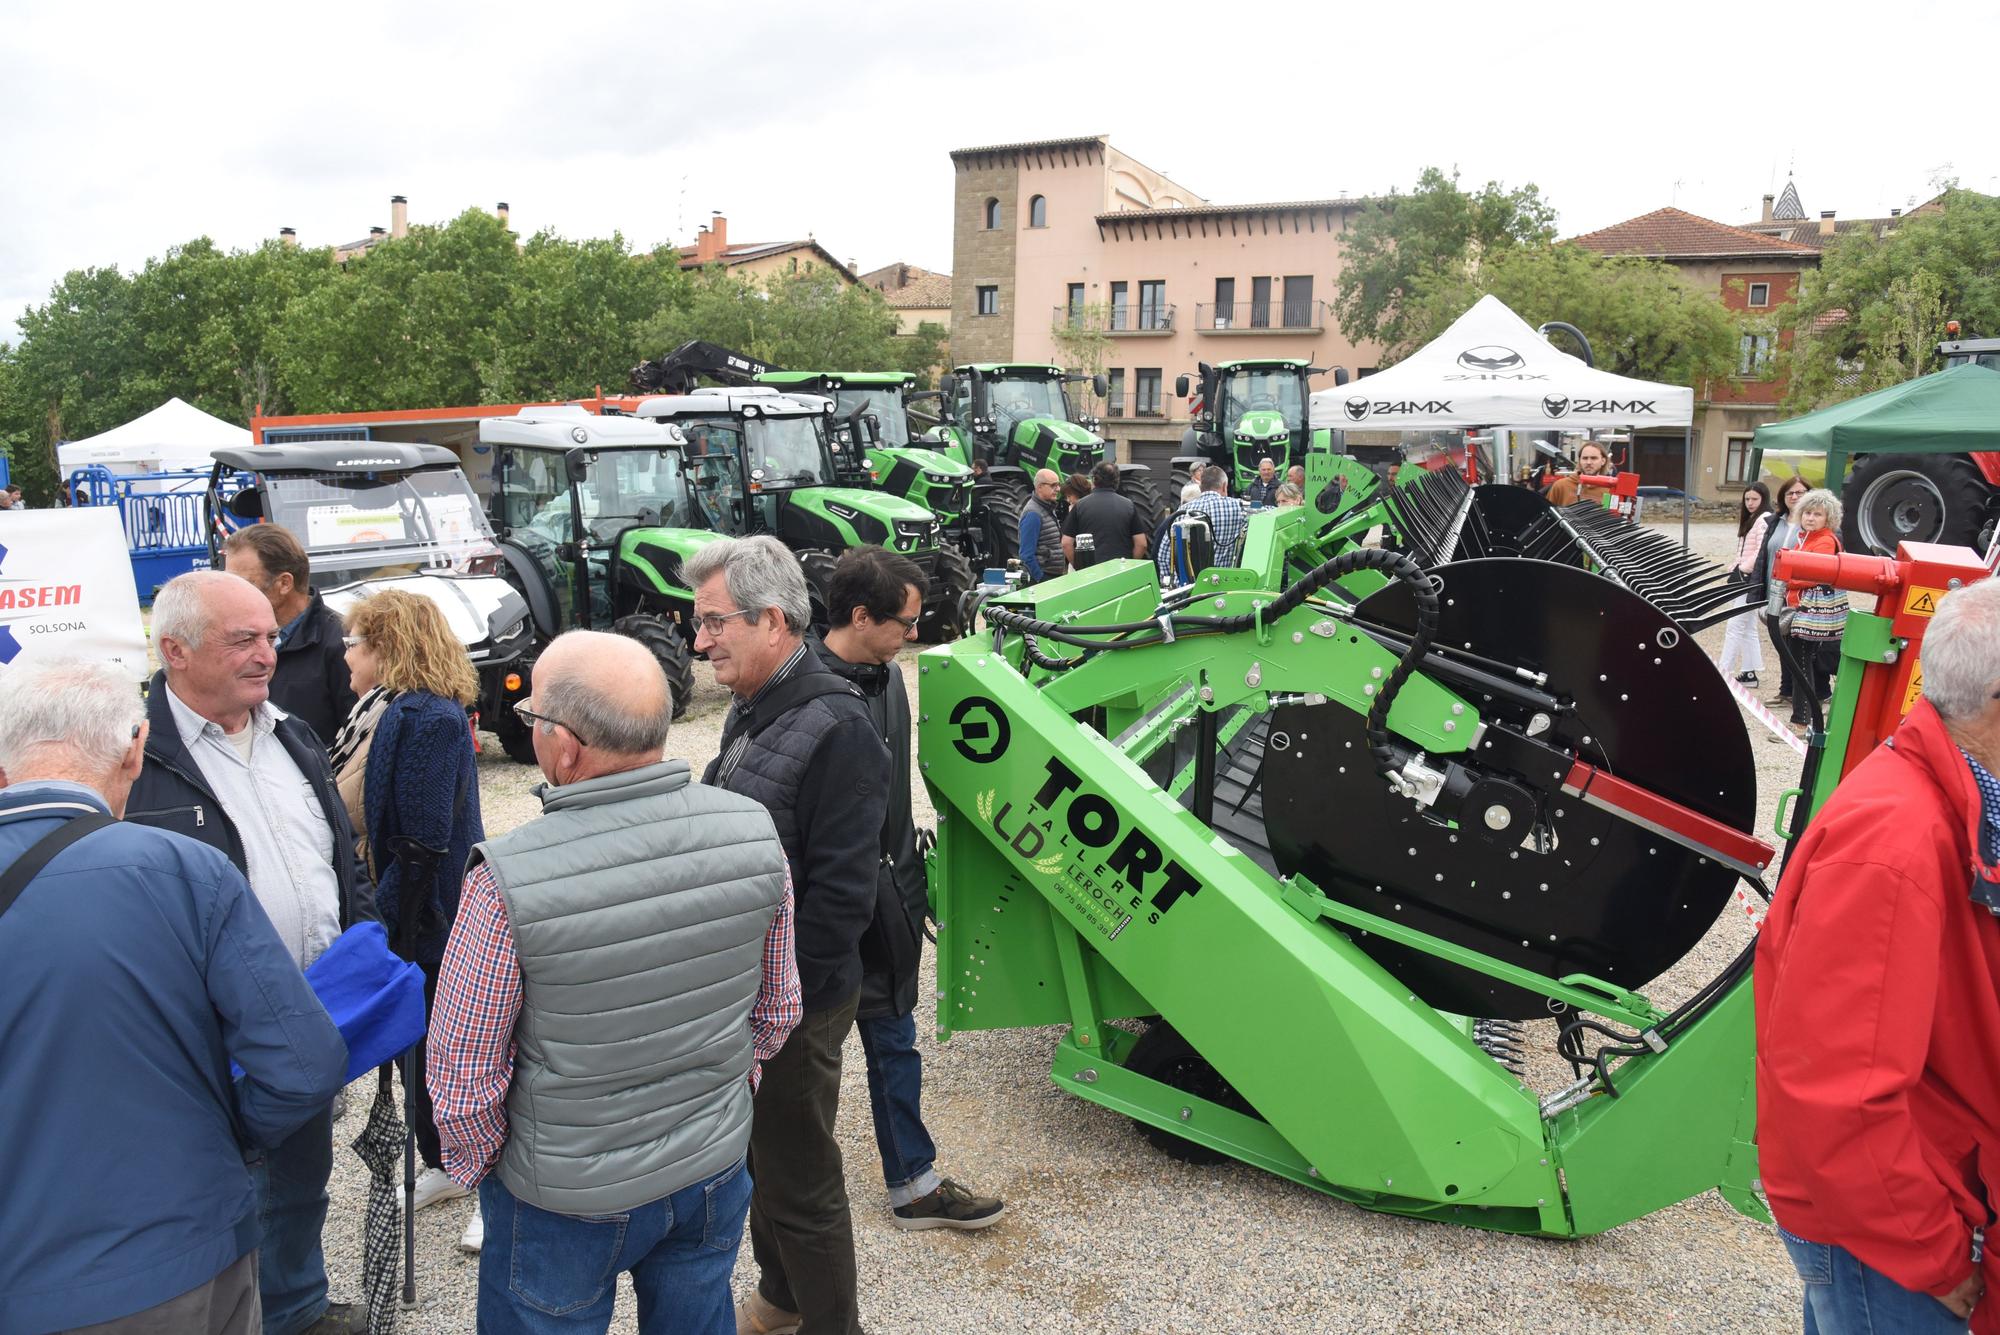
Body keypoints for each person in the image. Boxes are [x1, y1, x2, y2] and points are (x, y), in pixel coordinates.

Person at [427, 630, 797, 1334]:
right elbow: (778, 1010)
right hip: (710, 1167)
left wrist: (490, 1173)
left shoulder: (505, 880)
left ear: (564, 745)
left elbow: (463, 1078)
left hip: (561, 1196)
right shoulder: (754, 831)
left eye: (533, 719)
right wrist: (721, 1095)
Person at [0, 660, 348, 1335]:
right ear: (135, 747)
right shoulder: (182, 870)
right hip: (174, 1259)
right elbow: (303, 1063)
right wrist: (228, 1138)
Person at [126, 569, 376, 1335]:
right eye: (244, 639)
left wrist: (369, 950)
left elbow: (341, 859)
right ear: (175, 649)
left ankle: (297, 1306)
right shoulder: (136, 760)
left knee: (303, 1180)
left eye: (271, 635)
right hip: (206, 1040)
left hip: (309, 1018)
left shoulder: (291, 732)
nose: (268, 653)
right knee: (224, 1201)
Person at [1756, 575, 2000, 1334]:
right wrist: (1938, 1258)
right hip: (1895, 1239)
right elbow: (1838, 1093)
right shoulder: (1893, 848)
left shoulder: (1956, 800)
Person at [687, 536, 888, 1335]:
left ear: (772, 620)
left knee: (799, 1175)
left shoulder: (838, 727)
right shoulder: (757, 704)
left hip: (794, 1006)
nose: (699, 640)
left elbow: (842, 902)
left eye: (712, 622)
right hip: (754, 994)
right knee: (760, 1162)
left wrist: (776, 1009)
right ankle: (782, 1297)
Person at [810, 547, 1005, 1234]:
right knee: (810, 1064)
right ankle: (796, 1201)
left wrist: (909, 885)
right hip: (825, 923)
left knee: (895, 1041)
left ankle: (914, 1185)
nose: (915, 635)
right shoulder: (800, 695)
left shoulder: (888, 678)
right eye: (905, 621)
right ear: (860, 616)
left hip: (889, 900)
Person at [330, 589, 484, 1228]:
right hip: (415, 909)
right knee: (418, 1047)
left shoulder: (426, 718)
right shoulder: (397, 709)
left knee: (440, 1050)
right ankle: (446, 1162)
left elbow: (421, 841)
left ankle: (473, 1170)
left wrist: (385, 927)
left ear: (388, 647)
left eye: (355, 643)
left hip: (431, 917)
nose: (346, 656)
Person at [222, 525, 357, 748]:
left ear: (284, 583)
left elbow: (359, 740)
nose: (230, 594)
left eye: (244, 584)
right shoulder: (225, 639)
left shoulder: (343, 643)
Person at [1784, 489, 1846, 733]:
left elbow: (1815, 574)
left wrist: (1788, 580)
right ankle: (1807, 714)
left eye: (1817, 514)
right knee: (1803, 662)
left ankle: (1801, 721)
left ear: (1827, 518)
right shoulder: (1807, 538)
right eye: (1808, 512)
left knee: (1800, 664)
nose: (1810, 518)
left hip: (1810, 611)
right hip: (1803, 607)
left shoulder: (1824, 541)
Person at [1759, 476, 1814, 713]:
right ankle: (1786, 690)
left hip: (1796, 595)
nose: (1795, 497)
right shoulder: (1775, 522)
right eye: (1790, 493)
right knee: (1779, 641)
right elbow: (1765, 555)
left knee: (1796, 646)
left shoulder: (1813, 524)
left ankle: (1801, 697)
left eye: (1800, 493)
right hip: (1774, 591)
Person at [1718, 482, 1773, 687]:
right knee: (1747, 626)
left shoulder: (1763, 519)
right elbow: (1745, 551)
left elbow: (1761, 551)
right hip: (1747, 577)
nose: (1750, 503)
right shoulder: (1754, 519)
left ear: (1763, 499)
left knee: (1735, 625)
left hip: (1749, 579)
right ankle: (1749, 673)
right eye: (1747, 499)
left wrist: (1741, 569)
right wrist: (1735, 567)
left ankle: (1724, 671)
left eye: (1754, 499)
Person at [1156, 465, 1249, 584]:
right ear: (1225, 486)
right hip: (1225, 588)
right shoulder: (1237, 507)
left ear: (1200, 487)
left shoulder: (1182, 511)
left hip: (1191, 592)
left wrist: (1174, 586)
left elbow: (1164, 555)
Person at [1062, 461, 1147, 572]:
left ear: (1094, 480)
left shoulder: (1079, 506)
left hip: (1090, 574)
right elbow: (1141, 544)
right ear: (1117, 480)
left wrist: (1079, 567)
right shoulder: (1129, 506)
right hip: (1120, 572)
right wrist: (1128, 566)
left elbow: (1066, 543)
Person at [1017, 468, 1065, 582]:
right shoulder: (1033, 514)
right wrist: (1041, 579)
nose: (1058, 489)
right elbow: (1026, 555)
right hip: (1045, 578)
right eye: (1053, 485)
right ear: (1039, 487)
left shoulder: (1047, 508)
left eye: (1058, 485)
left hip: (1052, 576)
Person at [1545, 442, 1612, 507]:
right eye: (1585, 458)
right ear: (1579, 461)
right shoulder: (1561, 486)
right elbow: (1547, 514)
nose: (1588, 462)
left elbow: (1610, 515)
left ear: (1603, 461)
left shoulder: (1608, 490)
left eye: (1593, 458)